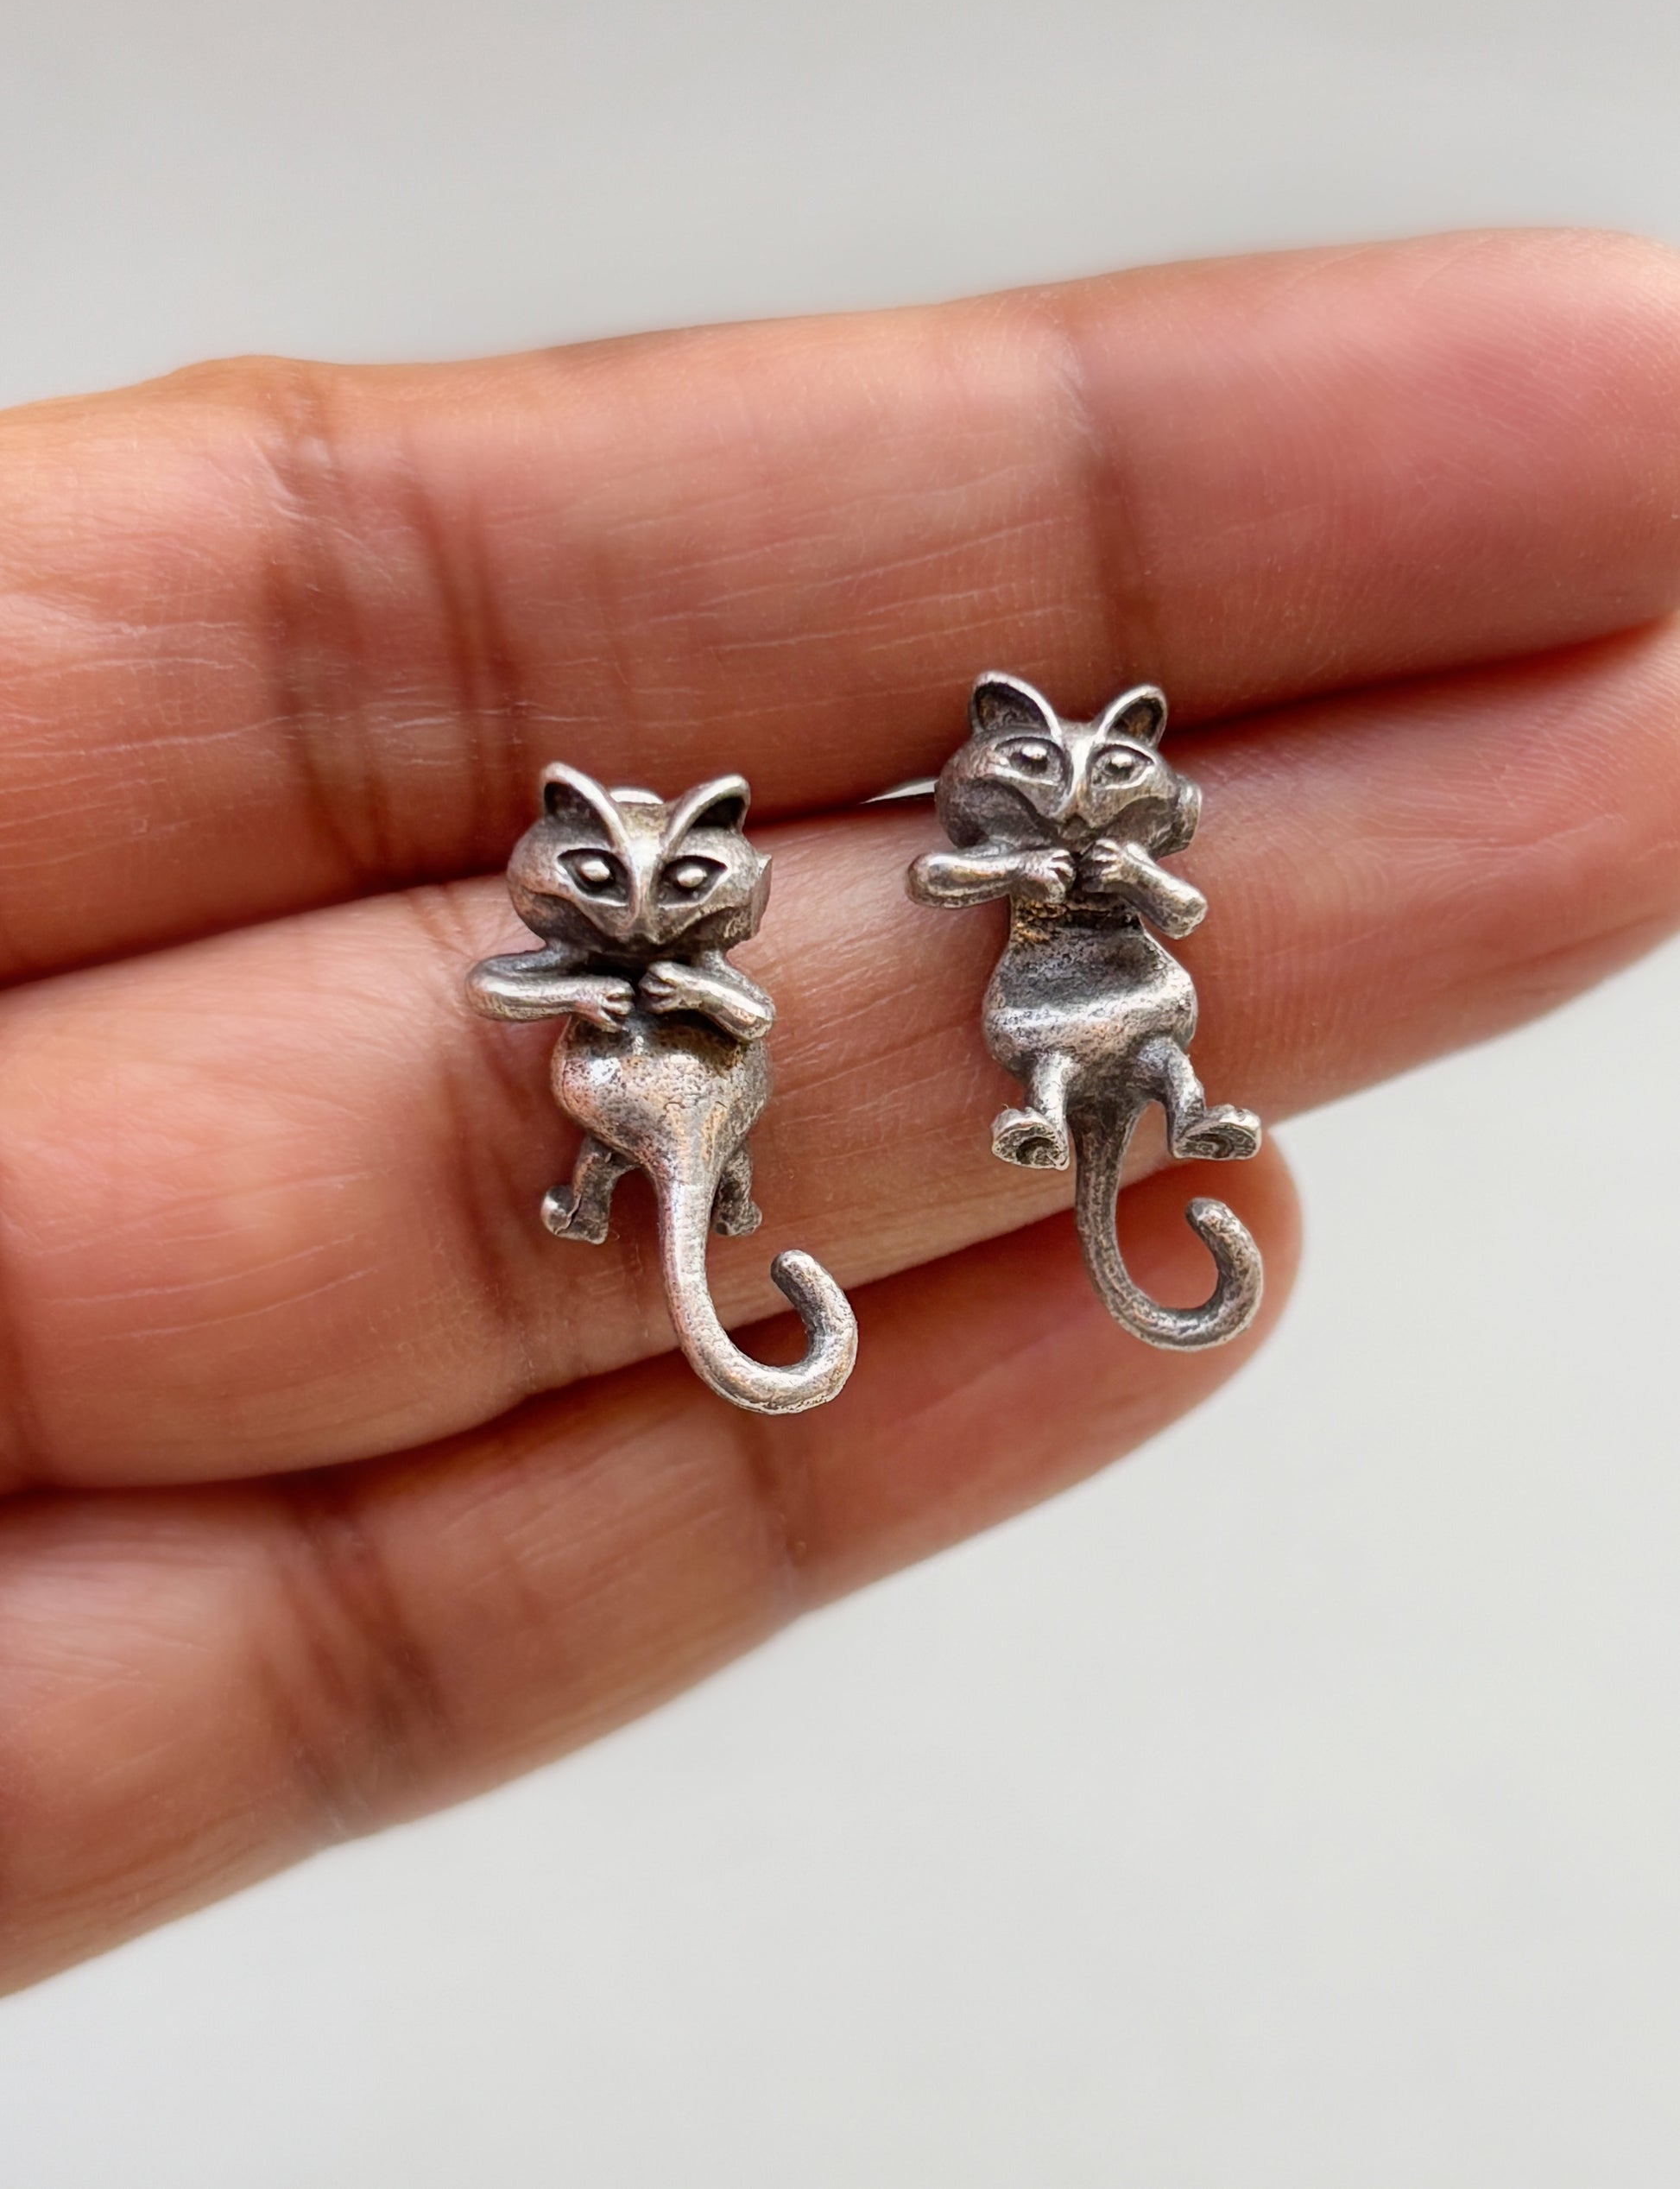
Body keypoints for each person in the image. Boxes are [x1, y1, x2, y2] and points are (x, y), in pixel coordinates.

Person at [0, 226, 1676, 1994]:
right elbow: (552, 978)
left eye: (677, 882)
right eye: (605, 877)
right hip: (729, 1070)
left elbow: (1035, 920)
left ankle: (1071, 1130)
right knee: (733, 1109)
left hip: (1039, 996)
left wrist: (1085, 877)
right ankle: (754, 1189)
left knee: (1103, 1037)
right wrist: (650, 975)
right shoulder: (746, 909)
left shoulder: (1063, 863)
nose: (639, 903)